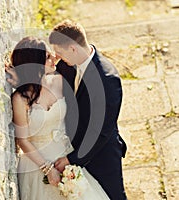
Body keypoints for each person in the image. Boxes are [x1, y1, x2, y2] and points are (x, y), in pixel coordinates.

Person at [8, 36, 110, 200]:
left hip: (65, 156)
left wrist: (71, 161)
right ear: (35, 63)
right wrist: (48, 170)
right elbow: (23, 140)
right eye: (48, 57)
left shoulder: (59, 81)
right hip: (37, 163)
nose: (54, 58)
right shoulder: (20, 99)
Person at [49, 20, 127, 200]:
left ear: (73, 49)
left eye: (60, 53)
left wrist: (72, 160)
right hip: (70, 145)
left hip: (101, 155)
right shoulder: (67, 64)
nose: (57, 58)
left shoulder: (107, 80)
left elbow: (100, 132)